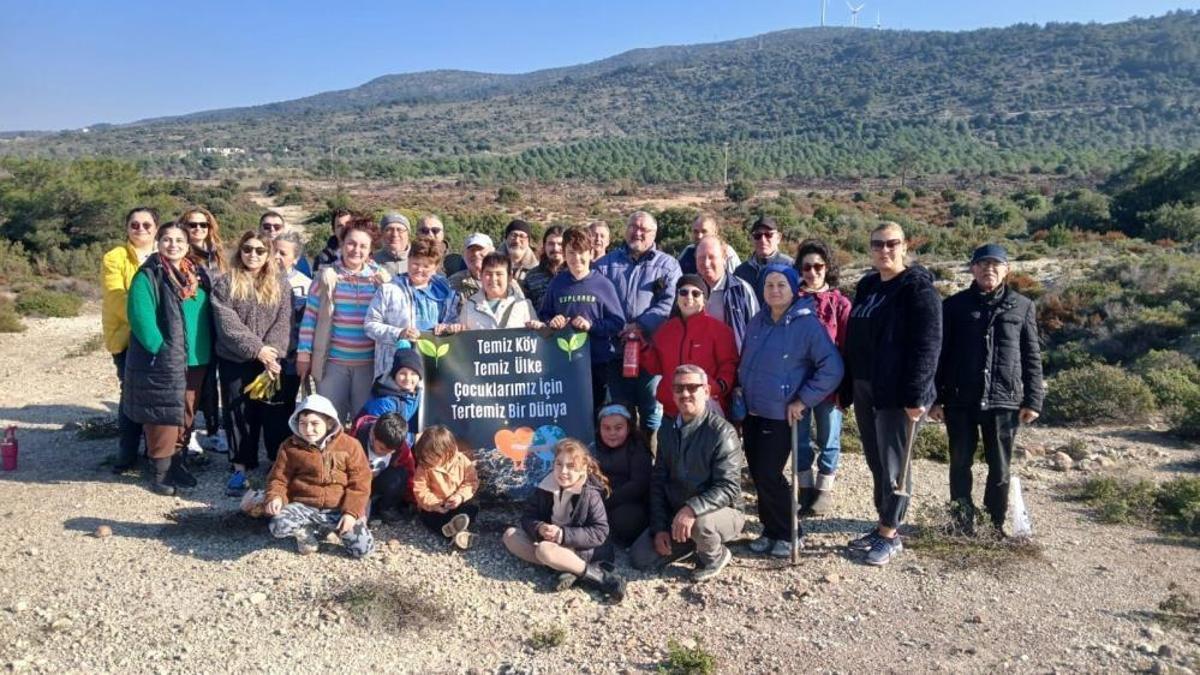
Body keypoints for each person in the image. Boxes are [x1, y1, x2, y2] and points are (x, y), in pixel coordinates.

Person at [840, 222, 942, 566]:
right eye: (877, 244)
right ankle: (884, 522)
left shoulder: (917, 289)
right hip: (867, 386)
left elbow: (928, 345)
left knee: (895, 464)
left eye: (892, 244)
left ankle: (890, 534)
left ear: (905, 246)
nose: (884, 250)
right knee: (876, 461)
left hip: (897, 392)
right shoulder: (869, 286)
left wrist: (917, 396)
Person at [931, 243, 1044, 535]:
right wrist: (935, 398)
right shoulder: (953, 306)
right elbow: (940, 355)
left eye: (995, 264)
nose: (988, 269)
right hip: (960, 399)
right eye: (982, 264)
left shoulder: (1023, 306)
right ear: (973, 268)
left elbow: (1031, 356)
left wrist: (1033, 400)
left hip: (1003, 400)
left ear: (1006, 270)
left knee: (1001, 468)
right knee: (959, 464)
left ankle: (994, 525)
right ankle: (961, 521)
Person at [739, 265, 844, 556]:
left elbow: (832, 367)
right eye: (769, 285)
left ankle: (789, 531)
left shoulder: (807, 324)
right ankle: (770, 529)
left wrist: (803, 400)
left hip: (780, 413)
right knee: (758, 475)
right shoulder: (758, 320)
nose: (774, 290)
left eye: (780, 285)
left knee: (770, 473)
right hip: (752, 410)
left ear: (793, 288)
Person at [123, 222, 214, 495]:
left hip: (197, 356)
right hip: (165, 357)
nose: (173, 244)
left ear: (188, 245)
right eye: (167, 239)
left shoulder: (196, 274)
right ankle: (160, 471)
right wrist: (159, 348)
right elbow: (141, 317)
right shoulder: (148, 275)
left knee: (186, 412)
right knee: (162, 414)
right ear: (158, 243)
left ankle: (178, 462)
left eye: (179, 240)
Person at [631, 365, 745, 581]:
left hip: (720, 512)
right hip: (680, 513)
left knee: (702, 524)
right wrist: (659, 527)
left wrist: (692, 509)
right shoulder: (667, 430)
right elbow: (658, 481)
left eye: (692, 387)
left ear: (707, 391)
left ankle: (716, 554)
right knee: (640, 557)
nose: (685, 394)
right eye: (678, 388)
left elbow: (729, 487)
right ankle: (692, 543)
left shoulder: (723, 433)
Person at [211, 231, 292, 495]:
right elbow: (227, 324)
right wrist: (257, 349)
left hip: (271, 361)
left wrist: (273, 353)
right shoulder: (225, 283)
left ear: (268, 254)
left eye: (260, 250)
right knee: (238, 412)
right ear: (240, 251)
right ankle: (239, 467)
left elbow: (284, 321)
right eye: (247, 249)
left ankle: (275, 466)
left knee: (273, 414)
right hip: (236, 358)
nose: (253, 255)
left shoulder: (280, 284)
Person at [502, 439, 626, 602]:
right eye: (559, 464)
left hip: (583, 549)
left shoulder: (590, 494)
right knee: (510, 535)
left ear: (583, 470)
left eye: (571, 466)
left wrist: (562, 534)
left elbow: (600, 532)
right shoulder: (545, 486)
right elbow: (528, 516)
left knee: (544, 550)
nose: (563, 471)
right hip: (553, 544)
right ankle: (565, 568)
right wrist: (540, 528)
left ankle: (599, 577)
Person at [296, 217, 391, 422]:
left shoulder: (380, 279)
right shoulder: (325, 277)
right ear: (342, 243)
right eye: (351, 243)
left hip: (369, 365)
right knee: (330, 421)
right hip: (332, 364)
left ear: (370, 249)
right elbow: (310, 318)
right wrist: (304, 355)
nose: (356, 250)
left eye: (363, 246)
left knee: (364, 422)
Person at [595, 211, 682, 434]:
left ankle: (651, 463)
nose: (638, 232)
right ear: (625, 229)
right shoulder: (604, 265)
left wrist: (640, 326)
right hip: (614, 353)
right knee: (620, 413)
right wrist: (618, 327)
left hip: (652, 355)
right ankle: (625, 464)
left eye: (644, 229)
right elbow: (595, 301)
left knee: (652, 413)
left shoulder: (668, 266)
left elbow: (669, 303)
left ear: (654, 234)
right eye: (634, 226)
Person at [264, 394, 374, 558]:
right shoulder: (289, 447)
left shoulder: (350, 445)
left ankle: (327, 529)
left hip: (338, 508)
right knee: (278, 525)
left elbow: (360, 483)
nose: (308, 430)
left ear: (329, 423)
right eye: (303, 424)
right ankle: (304, 532)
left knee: (363, 550)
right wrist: (275, 497)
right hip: (303, 507)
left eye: (315, 424)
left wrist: (351, 513)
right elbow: (278, 478)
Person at [529, 226, 624, 410]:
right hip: (564, 363)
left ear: (590, 253)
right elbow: (544, 314)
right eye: (571, 253)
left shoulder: (602, 284)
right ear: (564, 254)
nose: (576, 258)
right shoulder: (558, 283)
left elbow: (617, 322)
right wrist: (552, 322)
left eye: (581, 253)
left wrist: (592, 325)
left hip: (596, 364)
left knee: (597, 411)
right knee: (571, 412)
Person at [793, 239, 852, 515]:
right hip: (796, 385)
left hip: (829, 385)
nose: (813, 272)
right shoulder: (792, 300)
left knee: (829, 438)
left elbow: (845, 345)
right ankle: (804, 487)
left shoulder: (840, 304)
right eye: (807, 266)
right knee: (800, 438)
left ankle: (824, 489)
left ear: (827, 268)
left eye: (818, 266)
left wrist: (844, 388)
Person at [102, 206, 158, 473]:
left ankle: (155, 449)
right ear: (126, 228)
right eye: (134, 225)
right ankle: (127, 451)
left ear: (156, 229)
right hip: (128, 336)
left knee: (159, 393)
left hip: (160, 336)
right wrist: (151, 322)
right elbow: (117, 298)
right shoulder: (115, 257)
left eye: (146, 225)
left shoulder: (166, 252)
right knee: (131, 393)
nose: (140, 229)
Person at [641, 274, 739, 420]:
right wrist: (642, 348)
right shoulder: (666, 330)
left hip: (705, 410)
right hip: (671, 410)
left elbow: (729, 365)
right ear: (677, 297)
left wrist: (718, 385)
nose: (689, 297)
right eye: (683, 292)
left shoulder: (719, 330)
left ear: (704, 299)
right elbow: (656, 367)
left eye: (696, 293)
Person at [365, 237, 454, 379]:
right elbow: (370, 326)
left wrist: (447, 327)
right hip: (393, 369)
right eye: (415, 263)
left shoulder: (446, 293)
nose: (419, 269)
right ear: (408, 260)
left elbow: (453, 322)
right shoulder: (388, 289)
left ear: (435, 267)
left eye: (426, 266)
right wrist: (399, 333)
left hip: (432, 368)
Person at [180, 207, 227, 454]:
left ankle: (212, 431)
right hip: (192, 326)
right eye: (192, 224)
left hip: (216, 325)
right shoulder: (180, 255)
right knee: (189, 383)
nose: (197, 229)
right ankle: (184, 434)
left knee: (212, 381)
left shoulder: (218, 256)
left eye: (203, 225)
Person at [268, 231, 311, 457]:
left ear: (295, 259)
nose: (276, 257)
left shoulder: (306, 285)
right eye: (273, 251)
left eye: (282, 253)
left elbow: (308, 323)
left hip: (291, 356)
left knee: (285, 405)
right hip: (262, 354)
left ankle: (282, 456)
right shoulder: (258, 278)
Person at [590, 404, 651, 546]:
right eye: (606, 428)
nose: (612, 433)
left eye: (618, 428)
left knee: (627, 521)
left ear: (628, 428)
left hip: (628, 500)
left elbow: (638, 484)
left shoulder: (637, 447)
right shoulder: (592, 447)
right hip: (598, 497)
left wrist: (606, 501)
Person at [411, 425, 479, 550]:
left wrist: (460, 497)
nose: (427, 460)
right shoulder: (424, 467)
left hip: (457, 503)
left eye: (431, 457)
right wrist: (434, 504)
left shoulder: (462, 461)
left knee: (472, 507)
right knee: (428, 518)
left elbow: (471, 482)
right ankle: (458, 533)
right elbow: (420, 489)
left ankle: (457, 529)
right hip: (436, 507)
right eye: (425, 457)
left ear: (446, 452)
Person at [441, 253, 536, 332]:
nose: (493, 279)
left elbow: (537, 340)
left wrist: (539, 327)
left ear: (509, 277)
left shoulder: (524, 305)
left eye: (499, 274)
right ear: (481, 276)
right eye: (488, 274)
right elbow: (462, 343)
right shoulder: (469, 307)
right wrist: (455, 329)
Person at [695, 235, 758, 350]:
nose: (706, 263)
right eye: (701, 257)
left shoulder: (741, 289)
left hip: (731, 362)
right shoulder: (687, 289)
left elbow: (756, 332)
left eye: (711, 257)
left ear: (724, 258)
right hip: (695, 363)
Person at [352, 411, 415, 523]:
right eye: (381, 448)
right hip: (356, 483)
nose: (385, 453)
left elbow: (410, 471)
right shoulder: (356, 439)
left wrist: (413, 500)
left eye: (390, 451)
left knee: (401, 474)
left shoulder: (401, 446)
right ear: (373, 435)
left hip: (379, 481)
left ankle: (386, 508)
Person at [357, 348, 422, 445]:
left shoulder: (417, 394)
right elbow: (382, 433)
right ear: (394, 374)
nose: (408, 378)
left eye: (413, 374)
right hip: (376, 446)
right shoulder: (385, 402)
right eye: (403, 373)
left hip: (401, 442)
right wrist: (412, 438)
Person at [734, 216, 793, 303]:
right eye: (757, 236)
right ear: (752, 239)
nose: (763, 240)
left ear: (778, 238)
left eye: (768, 235)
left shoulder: (790, 266)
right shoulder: (741, 272)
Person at [520, 225, 565, 310]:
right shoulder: (531, 276)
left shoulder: (573, 274)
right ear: (544, 246)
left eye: (560, 244)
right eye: (551, 244)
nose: (556, 248)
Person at [259, 211, 311, 277]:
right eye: (267, 226)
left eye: (277, 227)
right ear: (260, 228)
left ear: (283, 229)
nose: (272, 229)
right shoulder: (252, 252)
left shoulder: (294, 257)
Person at [312, 208, 353, 274]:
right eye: (340, 226)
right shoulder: (323, 258)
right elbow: (317, 282)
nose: (344, 229)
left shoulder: (364, 253)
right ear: (334, 230)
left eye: (348, 224)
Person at [500, 219, 539, 284]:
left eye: (522, 236)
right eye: (513, 235)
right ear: (506, 238)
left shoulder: (537, 270)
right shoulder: (491, 264)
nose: (517, 241)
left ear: (528, 241)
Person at [374, 212, 411, 276]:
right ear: (382, 234)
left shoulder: (420, 260)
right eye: (389, 230)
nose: (395, 234)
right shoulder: (373, 261)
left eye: (400, 230)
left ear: (408, 234)